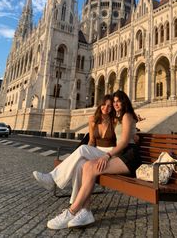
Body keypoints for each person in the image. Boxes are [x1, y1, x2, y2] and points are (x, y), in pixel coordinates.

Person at [47, 90, 142, 230]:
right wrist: (136, 132)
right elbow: (126, 131)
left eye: (118, 101)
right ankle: (85, 211)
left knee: (87, 161)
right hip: (121, 155)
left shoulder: (127, 116)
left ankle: (72, 211)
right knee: (85, 166)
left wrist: (107, 155)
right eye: (114, 102)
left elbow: (124, 142)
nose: (115, 104)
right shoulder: (119, 117)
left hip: (129, 157)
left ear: (124, 101)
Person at [33, 94, 116, 215]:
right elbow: (92, 141)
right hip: (97, 153)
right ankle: (76, 203)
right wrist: (87, 154)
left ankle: (52, 177)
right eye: (104, 105)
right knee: (79, 164)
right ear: (100, 105)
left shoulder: (115, 120)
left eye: (109, 106)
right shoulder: (93, 119)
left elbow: (124, 131)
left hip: (109, 155)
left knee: (82, 149)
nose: (106, 108)